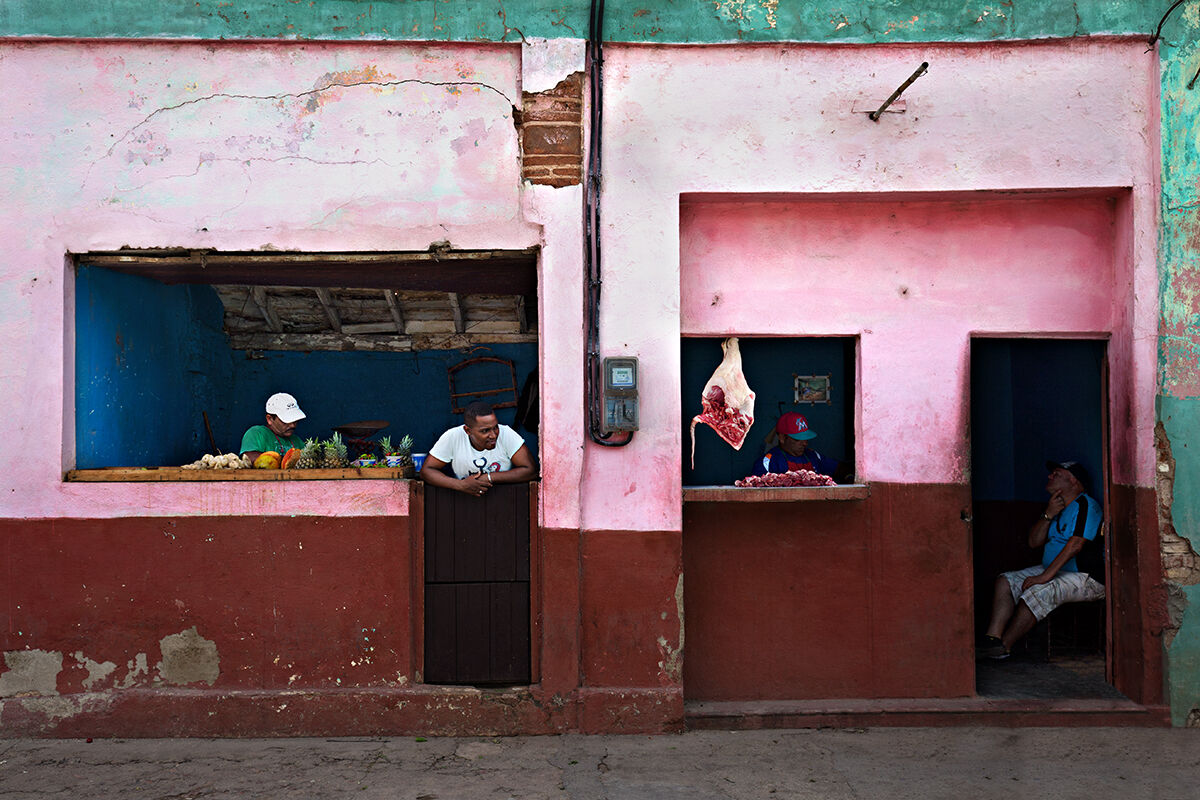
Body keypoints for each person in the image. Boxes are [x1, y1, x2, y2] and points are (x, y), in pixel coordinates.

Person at [977, 460, 1106, 660]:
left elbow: (1075, 545)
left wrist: (1044, 577)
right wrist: (1048, 514)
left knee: (1038, 591)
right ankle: (992, 639)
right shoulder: (1058, 507)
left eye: (1056, 474)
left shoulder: (1086, 505)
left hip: (1086, 577)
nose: (1049, 477)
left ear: (1073, 480)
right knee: (1006, 581)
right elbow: (1033, 542)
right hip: (1058, 571)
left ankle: (1004, 647)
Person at [420, 401, 537, 497]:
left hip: (504, 502)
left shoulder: (506, 434)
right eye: (485, 431)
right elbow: (427, 471)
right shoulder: (453, 436)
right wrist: (461, 485)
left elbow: (531, 470)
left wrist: (488, 477)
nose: (494, 435)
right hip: (463, 505)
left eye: (495, 427)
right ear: (468, 431)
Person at [752, 412, 850, 482]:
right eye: (797, 439)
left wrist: (849, 476)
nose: (804, 443)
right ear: (782, 438)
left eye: (806, 439)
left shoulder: (813, 456)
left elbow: (839, 468)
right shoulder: (767, 462)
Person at [240, 392, 306, 461]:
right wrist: (284, 461)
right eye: (286, 420)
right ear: (270, 419)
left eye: (295, 419)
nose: (292, 425)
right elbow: (248, 457)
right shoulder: (257, 433)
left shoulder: (297, 441)